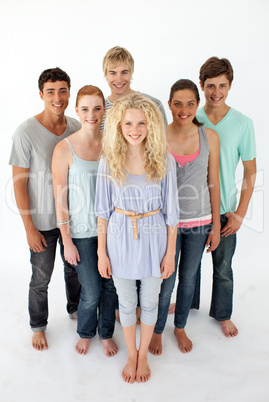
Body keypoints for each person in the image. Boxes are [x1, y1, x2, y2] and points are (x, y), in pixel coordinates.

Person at [95, 93, 179, 383]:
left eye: (141, 123)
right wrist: (101, 253)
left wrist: (170, 254)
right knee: (127, 303)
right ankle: (132, 353)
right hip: (119, 240)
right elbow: (102, 213)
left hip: (155, 241)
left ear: (150, 125)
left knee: (151, 301)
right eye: (128, 123)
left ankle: (143, 355)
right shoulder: (109, 161)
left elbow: (172, 213)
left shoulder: (163, 160)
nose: (135, 129)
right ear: (118, 125)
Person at [9, 67, 81, 351]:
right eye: (51, 91)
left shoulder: (77, 127)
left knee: (74, 270)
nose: (57, 97)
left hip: (73, 219)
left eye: (63, 90)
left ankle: (76, 310)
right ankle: (38, 326)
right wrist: (28, 228)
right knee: (41, 278)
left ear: (69, 93)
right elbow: (19, 183)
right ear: (41, 95)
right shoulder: (26, 132)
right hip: (42, 223)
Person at [149, 79, 220, 355]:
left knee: (188, 277)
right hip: (167, 223)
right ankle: (156, 330)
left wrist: (215, 225)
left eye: (190, 103)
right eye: (177, 103)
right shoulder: (158, 136)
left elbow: (213, 182)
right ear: (169, 105)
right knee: (166, 277)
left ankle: (179, 327)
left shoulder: (209, 137)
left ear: (198, 105)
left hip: (200, 222)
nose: (184, 109)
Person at [52, 85, 118, 357]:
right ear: (76, 110)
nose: (92, 114)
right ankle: (86, 332)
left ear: (104, 110)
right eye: (86, 109)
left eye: (97, 108)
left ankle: (107, 333)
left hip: (113, 231)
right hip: (81, 233)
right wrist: (66, 241)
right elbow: (60, 199)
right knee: (90, 290)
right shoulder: (64, 148)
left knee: (110, 286)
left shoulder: (114, 143)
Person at [195, 57, 256, 337]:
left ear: (230, 86)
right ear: (201, 85)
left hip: (226, 210)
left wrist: (240, 213)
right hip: (193, 208)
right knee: (189, 265)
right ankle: (187, 305)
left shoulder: (243, 123)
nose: (216, 92)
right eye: (210, 86)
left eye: (222, 85)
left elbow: (250, 171)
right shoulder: (192, 118)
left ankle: (222, 313)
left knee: (223, 268)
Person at [101, 46, 168, 130]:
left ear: (131, 72)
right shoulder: (99, 111)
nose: (119, 79)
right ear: (106, 74)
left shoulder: (154, 105)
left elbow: (162, 141)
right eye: (113, 73)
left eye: (124, 72)